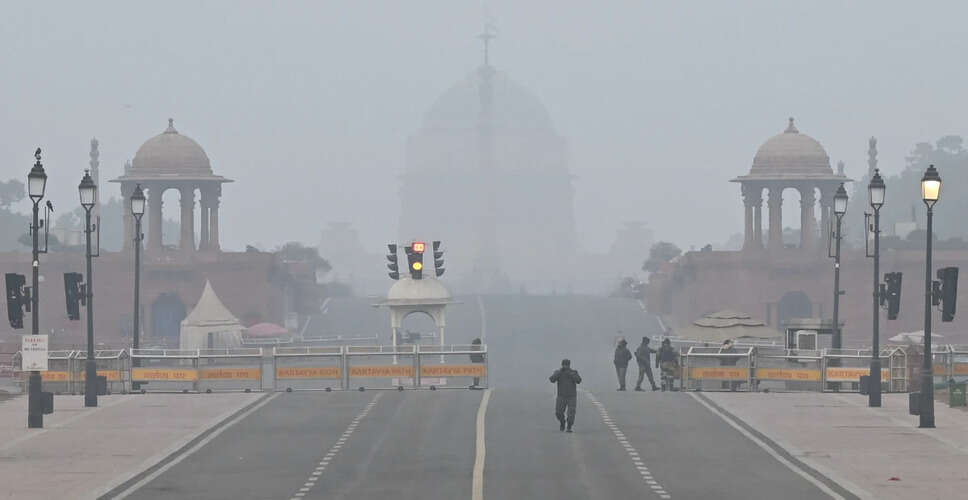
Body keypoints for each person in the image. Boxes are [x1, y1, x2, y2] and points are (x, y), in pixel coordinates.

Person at [550, 359, 582, 432]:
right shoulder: (558, 372)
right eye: (564, 365)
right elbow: (552, 380)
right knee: (558, 413)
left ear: (569, 365)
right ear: (562, 365)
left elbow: (579, 380)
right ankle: (562, 422)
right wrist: (558, 373)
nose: (565, 367)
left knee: (571, 413)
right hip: (561, 396)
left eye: (567, 365)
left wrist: (572, 374)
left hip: (571, 396)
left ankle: (569, 426)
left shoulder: (573, 372)